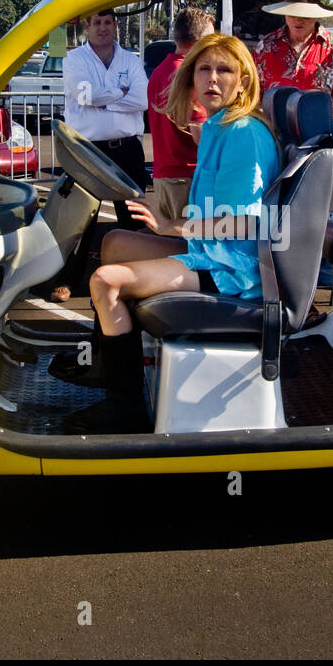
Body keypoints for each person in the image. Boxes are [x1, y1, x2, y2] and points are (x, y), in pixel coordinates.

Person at [54, 33, 282, 435]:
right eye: (204, 69)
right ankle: (107, 363)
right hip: (210, 250)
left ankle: (125, 409)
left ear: (244, 81)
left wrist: (171, 226)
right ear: (192, 78)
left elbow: (246, 224)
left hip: (233, 269)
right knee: (113, 243)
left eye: (225, 70)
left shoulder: (243, 132)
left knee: (105, 281)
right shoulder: (217, 126)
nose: (213, 78)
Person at [51, 9, 150, 301]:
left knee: (133, 219)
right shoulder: (73, 59)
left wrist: (105, 100)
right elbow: (84, 96)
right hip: (86, 150)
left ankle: (136, 280)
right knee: (80, 221)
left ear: (115, 25)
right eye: (97, 23)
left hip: (127, 149)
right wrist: (122, 93)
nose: (103, 28)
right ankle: (68, 281)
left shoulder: (130, 59)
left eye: (108, 22)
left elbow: (142, 99)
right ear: (87, 27)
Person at [146, 7, 215, 221]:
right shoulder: (190, 77)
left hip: (164, 176)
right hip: (188, 179)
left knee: (169, 244)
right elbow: (202, 136)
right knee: (187, 249)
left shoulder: (159, 71)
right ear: (199, 41)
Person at [253, 0, 333, 123]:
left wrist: (318, 116)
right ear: (285, 14)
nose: (298, 20)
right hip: (272, 134)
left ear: (316, 16)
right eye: (292, 14)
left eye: (305, 15)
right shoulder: (265, 46)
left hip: (318, 135)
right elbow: (251, 95)